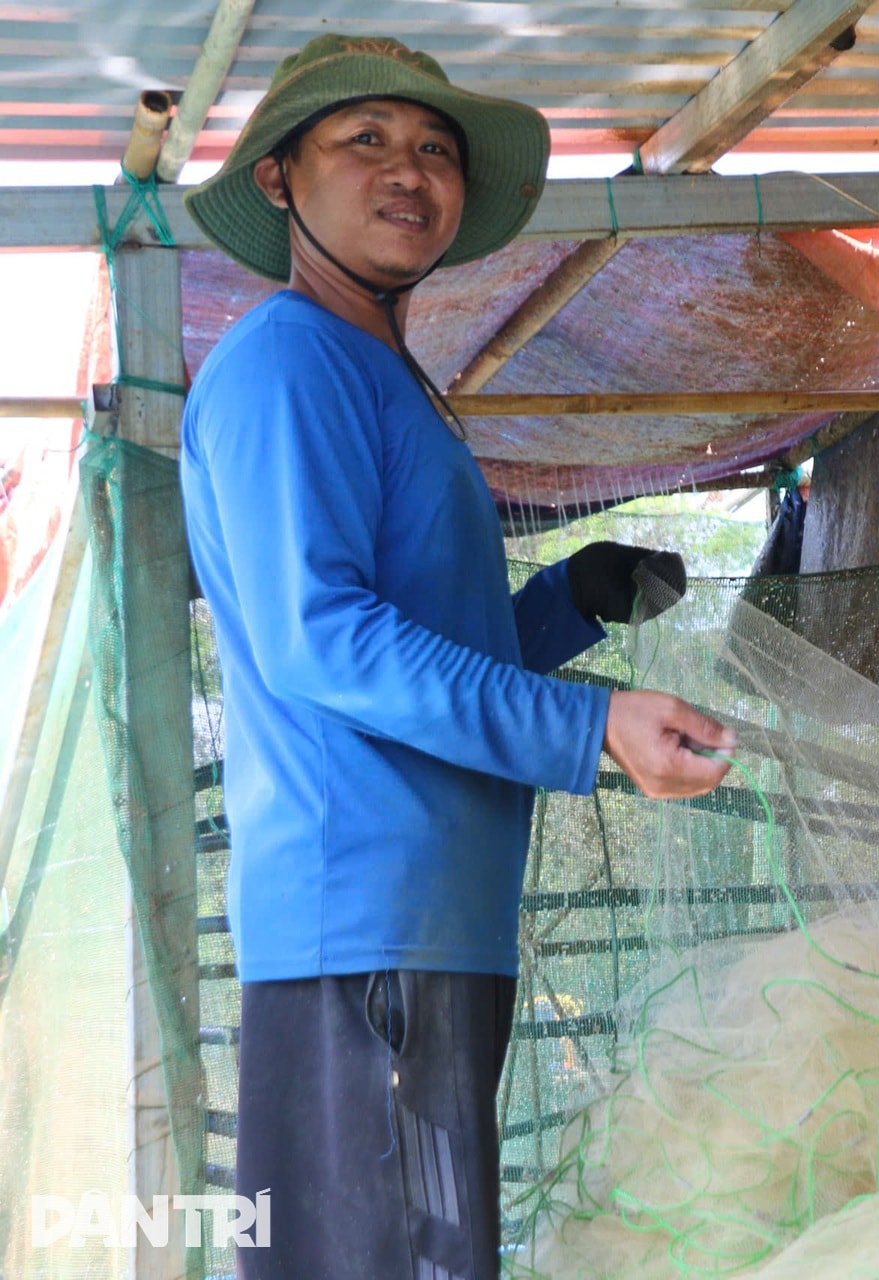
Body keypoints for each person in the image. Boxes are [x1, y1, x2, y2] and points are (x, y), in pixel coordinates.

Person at [176, 35, 734, 1279]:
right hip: (361, 929)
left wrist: (570, 603)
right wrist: (587, 727)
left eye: (434, 147)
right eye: (364, 139)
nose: (409, 170)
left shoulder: (383, 375)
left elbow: (429, 652)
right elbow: (322, 640)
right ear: (278, 178)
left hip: (430, 924)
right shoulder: (288, 360)